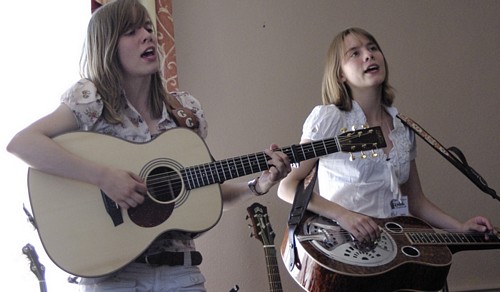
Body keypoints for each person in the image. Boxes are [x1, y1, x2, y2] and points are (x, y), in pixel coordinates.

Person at [7, 0, 291, 291]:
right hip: (112, 278)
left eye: (148, 27)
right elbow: (23, 144)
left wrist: (257, 185)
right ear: (107, 47)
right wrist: (104, 178)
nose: (147, 36)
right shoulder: (91, 101)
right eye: (131, 31)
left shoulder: (185, 111)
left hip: (182, 274)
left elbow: (207, 190)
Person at [277, 27, 495, 248]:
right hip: (345, 250)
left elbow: (415, 201)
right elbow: (287, 187)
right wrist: (343, 215)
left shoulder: (402, 127)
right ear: (340, 73)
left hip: (396, 249)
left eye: (373, 48)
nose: (368, 55)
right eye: (355, 53)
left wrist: (459, 227)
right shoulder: (329, 119)